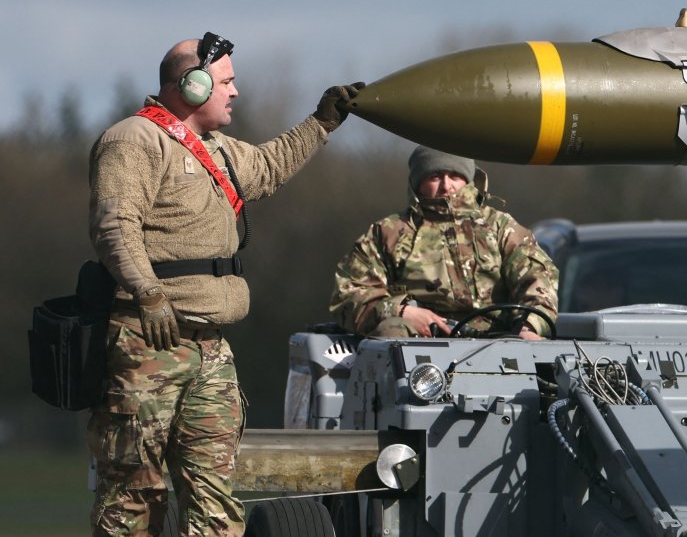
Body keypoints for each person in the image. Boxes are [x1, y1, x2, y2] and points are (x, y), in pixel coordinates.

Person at [87, 31, 361, 536]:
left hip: (211, 350)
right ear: (191, 86)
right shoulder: (133, 141)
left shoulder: (219, 151)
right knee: (133, 494)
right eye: (226, 82)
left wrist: (323, 122)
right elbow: (114, 226)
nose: (235, 92)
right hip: (147, 345)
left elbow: (271, 165)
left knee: (215, 495)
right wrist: (147, 292)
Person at [330, 146, 558, 339]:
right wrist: (400, 311)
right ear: (418, 183)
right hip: (422, 346)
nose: (446, 185)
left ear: (468, 180)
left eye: (455, 176)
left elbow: (538, 278)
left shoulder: (499, 226)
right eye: (435, 176)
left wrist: (529, 327)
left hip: (497, 340)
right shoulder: (388, 233)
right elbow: (348, 294)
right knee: (392, 330)